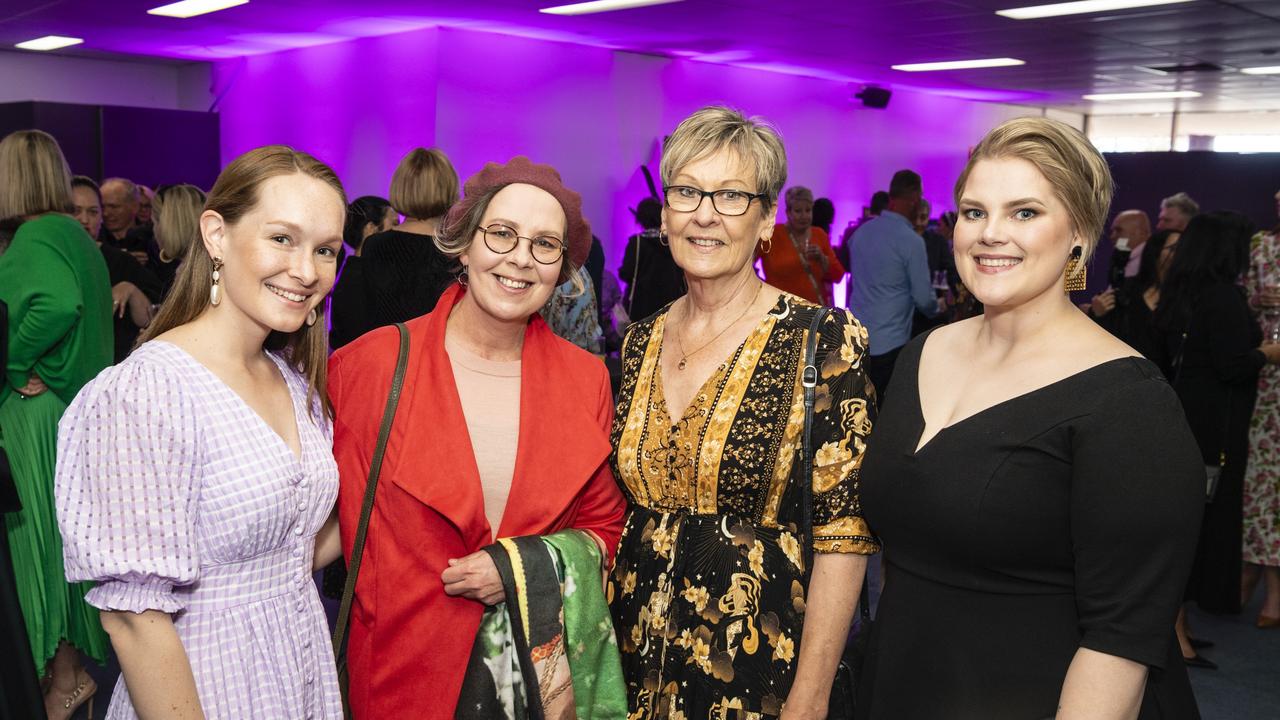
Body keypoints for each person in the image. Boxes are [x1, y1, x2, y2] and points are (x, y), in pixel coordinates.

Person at [857, 117, 1205, 719]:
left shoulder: (1129, 401)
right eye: (974, 212)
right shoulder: (923, 353)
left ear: (1079, 235)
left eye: (1024, 213)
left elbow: (1119, 643)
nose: (991, 234)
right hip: (903, 683)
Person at [329, 155, 627, 720]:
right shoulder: (370, 366)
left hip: (533, 683)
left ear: (563, 272)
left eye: (545, 245)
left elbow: (605, 526)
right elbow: (325, 515)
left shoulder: (586, 380)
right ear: (463, 246)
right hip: (402, 675)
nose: (521, 258)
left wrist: (520, 567)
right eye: (502, 234)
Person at [56, 145, 348, 719]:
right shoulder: (145, 393)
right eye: (282, 239)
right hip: (203, 683)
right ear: (215, 235)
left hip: (297, 671)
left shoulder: (292, 381)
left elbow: (291, 549)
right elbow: (134, 619)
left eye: (326, 250)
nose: (307, 271)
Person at [608, 106, 877, 719]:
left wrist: (809, 696)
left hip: (756, 669)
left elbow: (845, 533)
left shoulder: (821, 339)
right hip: (628, 660)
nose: (704, 214)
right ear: (667, 212)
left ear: (765, 219)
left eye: (731, 196)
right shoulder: (639, 341)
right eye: (687, 192)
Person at [0, 129, 112, 720]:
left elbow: (58, 303)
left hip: (37, 416)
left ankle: (62, 682)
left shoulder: (33, 237)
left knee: (35, 554)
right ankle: (66, 681)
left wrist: (17, 362)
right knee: (53, 554)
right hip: (69, 417)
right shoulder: (71, 233)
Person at [1155, 211, 1280, 668]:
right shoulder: (1224, 297)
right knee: (1196, 532)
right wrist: (1267, 353)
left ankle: (1179, 626)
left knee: (1186, 527)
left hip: (1189, 418)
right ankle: (1175, 632)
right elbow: (1231, 366)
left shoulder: (1184, 291)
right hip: (1213, 429)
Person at [328, 147, 457, 349]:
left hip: (383, 363)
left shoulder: (374, 246)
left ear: (400, 188)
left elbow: (357, 320)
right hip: (434, 365)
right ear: (449, 190)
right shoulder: (457, 253)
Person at [847, 169, 941, 401]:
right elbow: (923, 299)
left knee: (856, 410)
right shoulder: (912, 242)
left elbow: (854, 281)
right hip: (891, 344)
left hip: (856, 339)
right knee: (884, 413)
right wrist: (939, 308)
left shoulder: (860, 234)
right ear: (915, 200)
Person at [72, 176, 163, 362]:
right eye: (75, 211)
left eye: (93, 212)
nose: (84, 220)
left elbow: (156, 315)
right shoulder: (50, 259)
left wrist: (131, 289)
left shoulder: (121, 262)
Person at [1243, 191, 1280, 629]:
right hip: (1263, 370)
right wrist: (1259, 303)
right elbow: (1246, 297)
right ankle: (1251, 569)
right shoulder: (1261, 245)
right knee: (1260, 478)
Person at [1091, 229, 1179, 362]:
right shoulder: (1128, 289)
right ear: (1156, 251)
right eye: (1173, 248)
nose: (1180, 253)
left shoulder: (1185, 297)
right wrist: (1096, 313)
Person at [760, 185, 846, 305]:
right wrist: (761, 289)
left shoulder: (819, 234)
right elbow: (746, 267)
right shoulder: (772, 234)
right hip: (780, 311)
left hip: (813, 313)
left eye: (808, 210)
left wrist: (822, 258)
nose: (804, 216)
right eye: (798, 211)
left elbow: (838, 275)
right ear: (788, 213)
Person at [619, 196, 685, 322]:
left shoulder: (637, 242)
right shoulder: (673, 243)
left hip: (642, 305)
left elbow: (626, 273)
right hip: (671, 303)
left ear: (641, 219)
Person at [150, 183, 208, 295]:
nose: (153, 230)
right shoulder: (209, 267)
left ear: (167, 226)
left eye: (154, 222)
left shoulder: (194, 277)